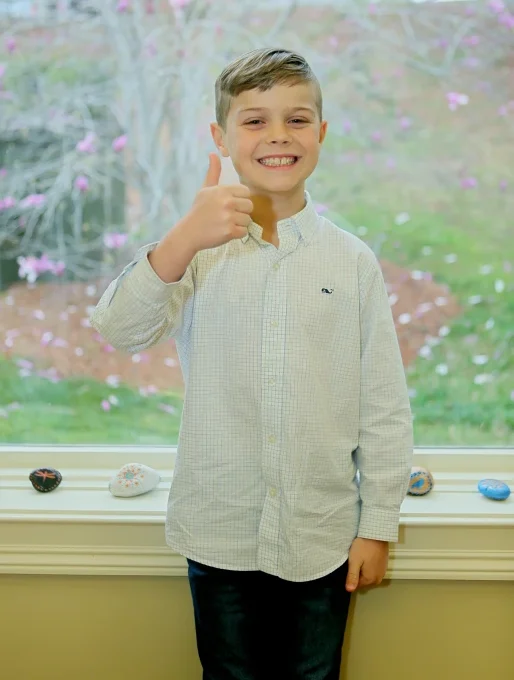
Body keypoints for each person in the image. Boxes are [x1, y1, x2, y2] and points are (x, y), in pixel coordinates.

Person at [91, 47, 413, 680]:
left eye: (296, 119)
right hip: (218, 534)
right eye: (254, 120)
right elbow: (120, 330)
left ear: (320, 134)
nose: (277, 137)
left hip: (320, 539)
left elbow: (383, 405)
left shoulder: (351, 263)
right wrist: (182, 237)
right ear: (221, 137)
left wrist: (376, 525)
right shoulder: (194, 252)